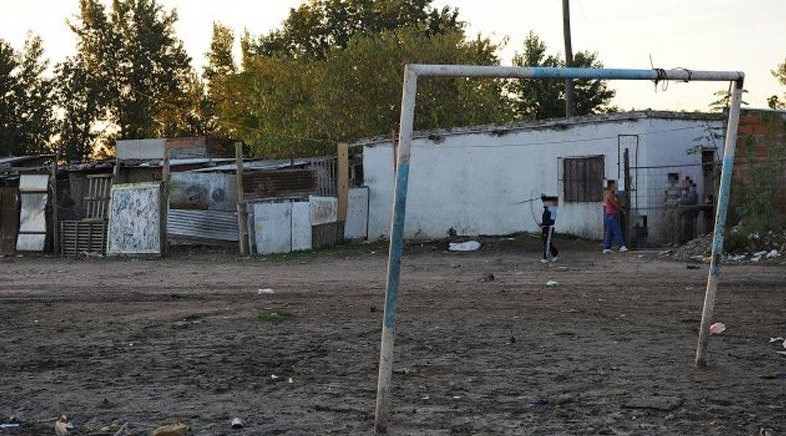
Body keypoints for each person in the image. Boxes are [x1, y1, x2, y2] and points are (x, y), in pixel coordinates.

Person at [603, 180, 628, 254]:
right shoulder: (609, 195)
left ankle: (607, 247)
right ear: (610, 187)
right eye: (613, 186)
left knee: (610, 232)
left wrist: (617, 196)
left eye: (615, 186)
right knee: (617, 230)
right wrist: (622, 210)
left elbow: (618, 202)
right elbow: (615, 204)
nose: (615, 188)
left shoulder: (614, 195)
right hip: (610, 215)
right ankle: (621, 246)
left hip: (614, 215)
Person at [540, 195, 559, 263]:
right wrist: (542, 224)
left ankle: (546, 258)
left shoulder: (552, 209)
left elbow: (551, 221)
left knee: (547, 243)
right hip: (545, 227)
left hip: (550, 227)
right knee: (547, 242)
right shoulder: (546, 210)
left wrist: (544, 224)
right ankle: (555, 253)